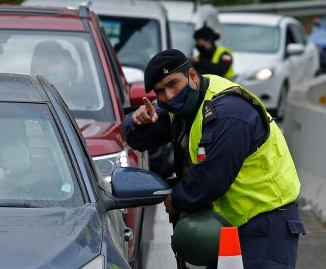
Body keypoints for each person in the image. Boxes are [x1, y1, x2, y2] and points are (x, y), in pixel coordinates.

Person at [123, 48, 305, 268]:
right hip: (226, 225)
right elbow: (139, 138)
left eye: (173, 84)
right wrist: (136, 120)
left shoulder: (229, 112)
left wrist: (176, 200)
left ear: (192, 76)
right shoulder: (183, 104)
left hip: (267, 221)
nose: (168, 96)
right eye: (160, 91)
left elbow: (210, 180)